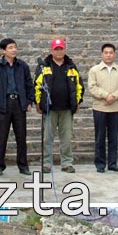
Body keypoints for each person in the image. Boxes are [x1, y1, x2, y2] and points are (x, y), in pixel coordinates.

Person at [0, 38, 34, 177]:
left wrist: (29, 101)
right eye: (10, 47)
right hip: (3, 104)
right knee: (1, 137)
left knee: (21, 137)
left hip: (19, 103)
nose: (14, 50)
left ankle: (23, 165)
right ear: (3, 51)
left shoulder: (22, 66)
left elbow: (29, 84)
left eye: (15, 47)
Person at [35, 38, 84, 174]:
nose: (59, 52)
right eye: (56, 49)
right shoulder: (44, 67)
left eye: (61, 49)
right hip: (49, 108)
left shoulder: (71, 67)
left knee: (66, 138)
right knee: (47, 138)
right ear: (51, 50)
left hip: (66, 109)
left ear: (65, 50)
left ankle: (67, 163)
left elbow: (79, 86)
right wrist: (38, 102)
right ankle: (46, 163)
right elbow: (37, 86)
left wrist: (77, 102)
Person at [88, 43, 118, 174]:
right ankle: (100, 164)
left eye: (111, 52)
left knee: (113, 137)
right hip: (100, 108)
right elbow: (92, 87)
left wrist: (114, 96)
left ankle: (112, 163)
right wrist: (106, 95)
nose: (108, 55)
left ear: (114, 54)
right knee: (100, 137)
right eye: (106, 53)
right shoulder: (94, 70)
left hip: (115, 108)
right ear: (102, 54)